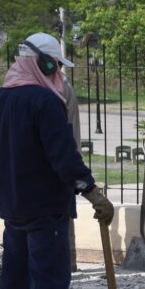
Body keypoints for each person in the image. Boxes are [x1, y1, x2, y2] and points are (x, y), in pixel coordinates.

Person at [0, 32, 113, 289]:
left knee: (14, 278)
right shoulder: (45, 102)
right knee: (49, 281)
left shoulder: (1, 99)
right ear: (42, 62)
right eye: (55, 65)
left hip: (13, 208)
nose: (58, 72)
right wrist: (91, 191)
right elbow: (64, 156)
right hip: (46, 209)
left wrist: (7, 183)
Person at [61, 66, 82, 272]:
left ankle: (69, 260)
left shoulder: (60, 86)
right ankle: (68, 260)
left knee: (63, 212)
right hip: (67, 159)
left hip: (63, 162)